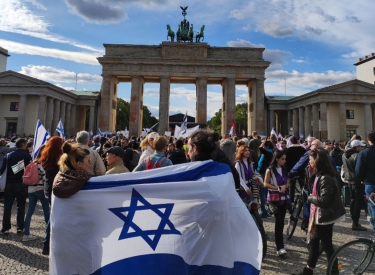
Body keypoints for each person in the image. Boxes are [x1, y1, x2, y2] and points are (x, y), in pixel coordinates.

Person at [293, 149, 346, 275]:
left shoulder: (326, 178)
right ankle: (308, 270)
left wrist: (310, 197)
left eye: (310, 161)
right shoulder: (319, 175)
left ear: (317, 162)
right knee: (315, 243)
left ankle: (333, 272)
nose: (309, 163)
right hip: (320, 215)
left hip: (325, 216)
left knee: (326, 246)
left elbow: (324, 201)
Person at [0, 138, 32, 235]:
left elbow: (2, 170)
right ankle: (20, 227)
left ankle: (5, 228)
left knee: (7, 206)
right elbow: (30, 171)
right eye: (26, 145)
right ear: (23, 145)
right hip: (21, 183)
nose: (26, 146)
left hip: (9, 183)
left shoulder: (8, 155)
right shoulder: (27, 156)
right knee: (21, 206)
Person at [263, 150, 291, 257]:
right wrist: (277, 188)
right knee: (279, 221)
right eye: (282, 159)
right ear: (277, 159)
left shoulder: (284, 169)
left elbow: (288, 181)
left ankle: (280, 244)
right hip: (274, 199)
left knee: (281, 221)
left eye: (285, 159)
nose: (284, 161)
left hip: (283, 199)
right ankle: (279, 246)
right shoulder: (269, 170)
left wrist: (285, 186)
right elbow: (265, 184)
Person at [39, 136, 64, 255]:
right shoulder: (60, 159)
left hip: (47, 189)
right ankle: (47, 244)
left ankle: (47, 245)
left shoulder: (46, 157)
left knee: (52, 214)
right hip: (56, 189)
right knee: (54, 217)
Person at [23, 145, 50, 242]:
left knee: (29, 212)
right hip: (41, 189)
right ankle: (49, 234)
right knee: (46, 211)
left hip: (31, 189)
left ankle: (26, 233)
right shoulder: (42, 163)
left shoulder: (32, 162)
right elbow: (44, 178)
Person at [342, 139, 367, 231]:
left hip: (349, 180)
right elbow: (359, 170)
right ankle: (355, 222)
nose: (361, 148)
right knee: (358, 202)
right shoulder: (356, 155)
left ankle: (353, 219)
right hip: (357, 181)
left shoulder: (344, 154)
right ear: (356, 147)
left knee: (352, 200)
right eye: (360, 146)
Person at [355, 131, 375, 236]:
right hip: (369, 183)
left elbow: (358, 170)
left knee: (373, 207)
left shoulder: (363, 153)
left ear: (368, 139)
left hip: (370, 183)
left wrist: (362, 179)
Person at [285, 136, 307, 202]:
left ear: (291, 142)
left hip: (291, 170)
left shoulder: (288, 150)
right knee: (302, 186)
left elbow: (285, 161)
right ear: (297, 141)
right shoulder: (303, 149)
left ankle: (291, 201)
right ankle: (305, 199)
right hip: (301, 169)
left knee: (292, 186)